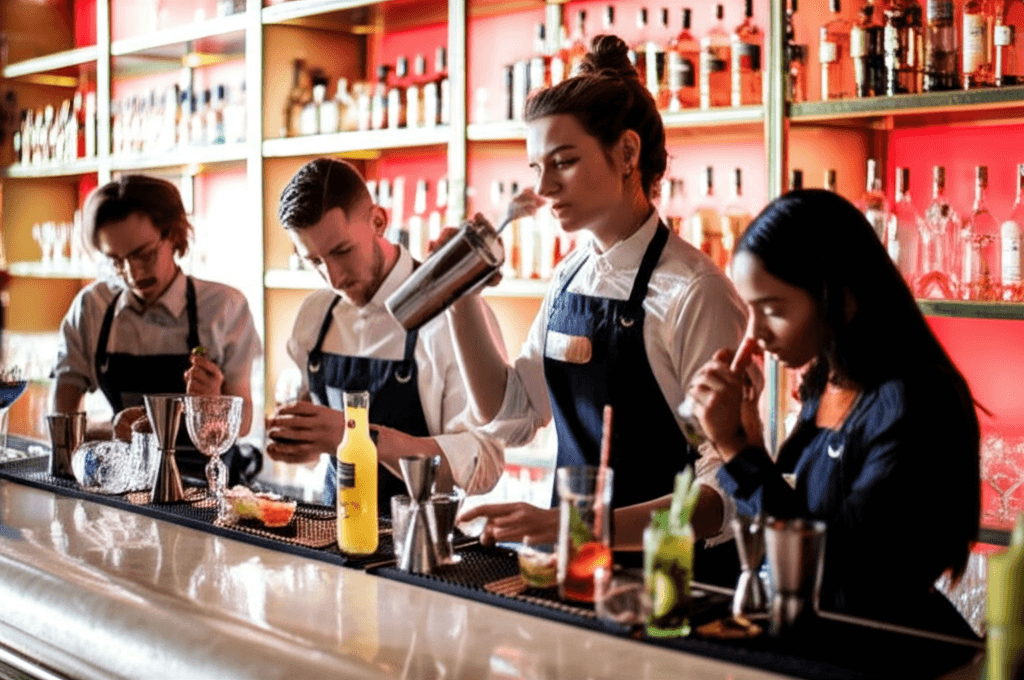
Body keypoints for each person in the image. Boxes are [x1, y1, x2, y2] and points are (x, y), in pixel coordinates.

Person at [447, 35, 751, 579]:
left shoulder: (695, 291)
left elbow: (726, 492)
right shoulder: (570, 274)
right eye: (536, 167)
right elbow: (514, 415)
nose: (543, 187)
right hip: (580, 571)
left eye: (563, 162)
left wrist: (575, 526)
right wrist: (460, 298)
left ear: (628, 154)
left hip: (673, 586)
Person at [685, 188, 980, 636]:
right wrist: (747, 444)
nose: (755, 335)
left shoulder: (915, 402)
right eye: (750, 311)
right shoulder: (827, 381)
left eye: (772, 310)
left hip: (894, 647)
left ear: (840, 298)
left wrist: (735, 451)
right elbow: (794, 518)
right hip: (827, 634)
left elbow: (838, 564)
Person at [266, 158, 505, 509]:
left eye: (342, 251)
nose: (334, 278)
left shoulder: (454, 314)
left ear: (378, 221)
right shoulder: (314, 315)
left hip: (418, 537)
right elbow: (316, 453)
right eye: (314, 261)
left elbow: (484, 464)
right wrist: (301, 445)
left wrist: (356, 436)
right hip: (331, 530)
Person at [53, 174, 262, 484]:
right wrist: (111, 429)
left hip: (206, 485)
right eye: (116, 261)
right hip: (125, 482)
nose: (132, 273)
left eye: (144, 254)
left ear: (174, 235)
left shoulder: (225, 307)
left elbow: (243, 424)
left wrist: (215, 404)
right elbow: (62, 421)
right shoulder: (91, 308)